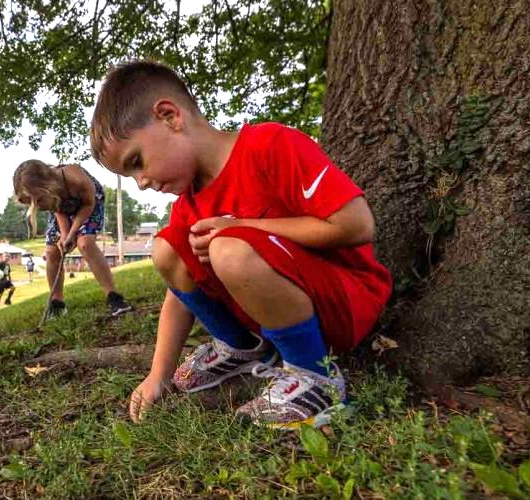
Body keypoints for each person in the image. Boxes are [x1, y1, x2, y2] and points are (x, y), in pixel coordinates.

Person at [89, 60, 392, 429]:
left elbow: (357, 224)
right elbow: (179, 293)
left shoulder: (270, 145)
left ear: (170, 116)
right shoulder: (189, 203)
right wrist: (158, 374)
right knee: (167, 248)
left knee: (229, 247)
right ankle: (240, 347)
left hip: (345, 303)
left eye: (137, 161)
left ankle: (316, 379)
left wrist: (242, 227)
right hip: (272, 320)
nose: (141, 182)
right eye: (130, 174)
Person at [13, 160, 133, 320]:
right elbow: (57, 209)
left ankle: (114, 297)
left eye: (39, 200)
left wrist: (73, 233)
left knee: (85, 243)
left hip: (89, 203)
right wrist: (65, 235)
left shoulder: (74, 176)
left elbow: (88, 204)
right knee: (51, 251)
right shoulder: (49, 197)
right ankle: (57, 303)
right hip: (63, 209)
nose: (39, 206)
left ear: (46, 185)